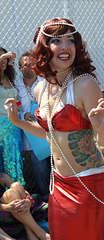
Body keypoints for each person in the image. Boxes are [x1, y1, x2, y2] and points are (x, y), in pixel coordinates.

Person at [5, 18, 104, 240]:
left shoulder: (85, 84)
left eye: (70, 40)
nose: (65, 46)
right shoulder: (40, 88)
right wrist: (17, 121)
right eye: (56, 40)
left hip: (89, 182)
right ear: (44, 47)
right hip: (59, 184)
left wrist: (102, 129)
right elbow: (50, 134)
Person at [15, 51, 51, 201]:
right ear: (20, 68)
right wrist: (22, 115)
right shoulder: (15, 86)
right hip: (32, 134)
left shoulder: (45, 82)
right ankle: (46, 199)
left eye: (33, 64)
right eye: (26, 64)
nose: (31, 67)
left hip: (49, 128)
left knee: (57, 163)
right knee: (40, 168)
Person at [0, 47, 25, 185]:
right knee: (5, 161)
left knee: (15, 158)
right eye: (1, 58)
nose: (4, 60)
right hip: (1, 125)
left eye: (6, 58)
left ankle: (20, 191)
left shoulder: (9, 78)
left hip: (14, 124)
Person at [0, 172, 50, 240]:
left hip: (18, 211)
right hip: (4, 218)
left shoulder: (3, 177)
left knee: (16, 185)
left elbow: (25, 193)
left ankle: (28, 230)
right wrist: (7, 207)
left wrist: (28, 201)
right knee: (10, 194)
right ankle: (41, 234)